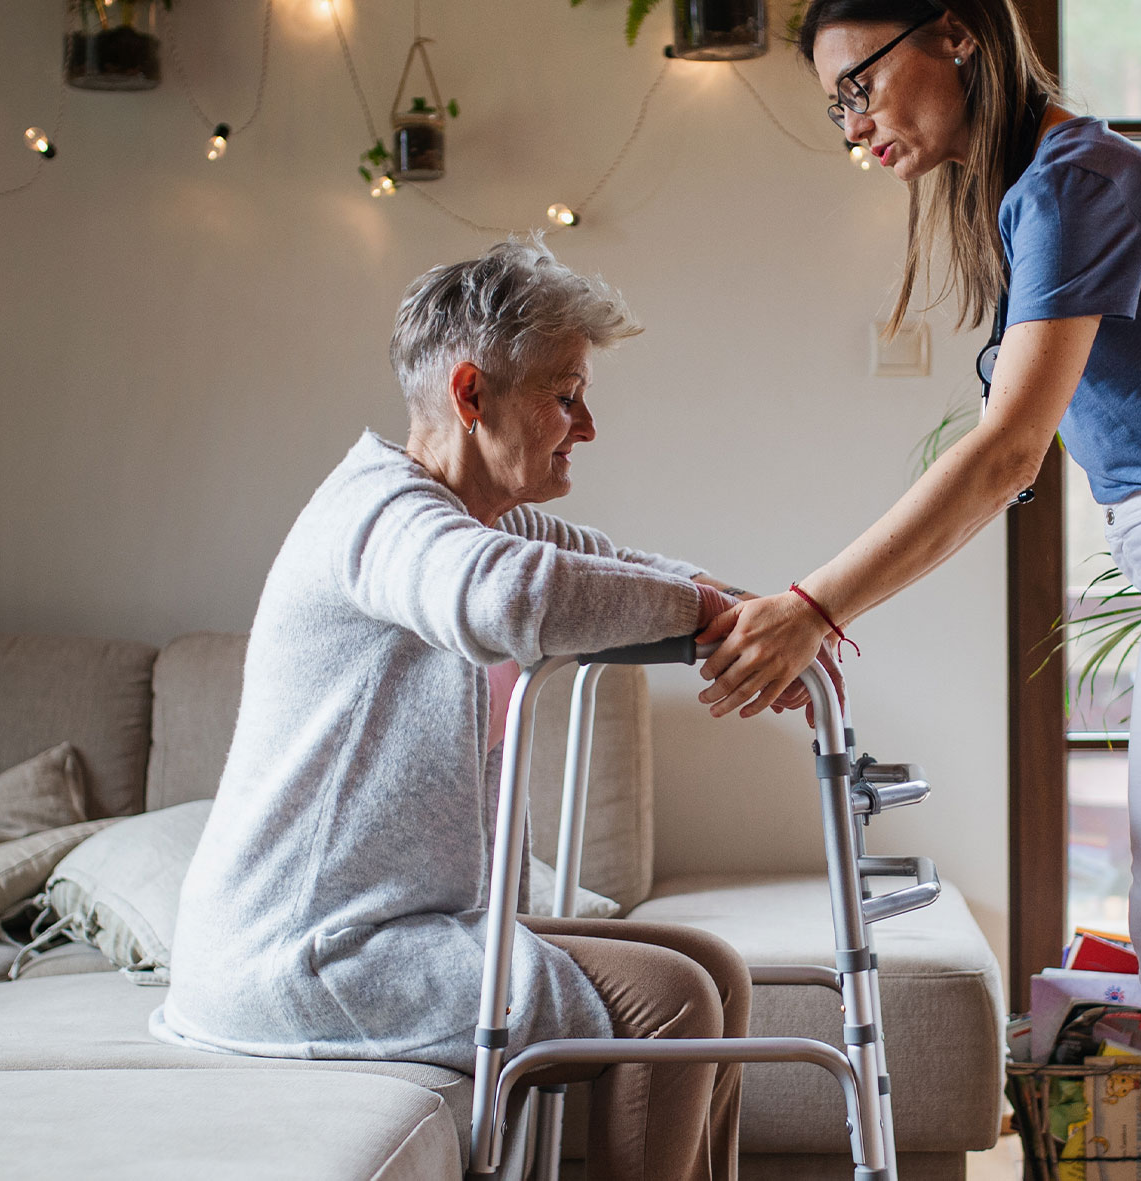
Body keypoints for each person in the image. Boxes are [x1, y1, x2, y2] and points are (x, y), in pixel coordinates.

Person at [694, 4, 1141, 1179]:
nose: (853, 122)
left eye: (859, 82)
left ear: (956, 35)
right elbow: (1009, 447)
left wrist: (814, 604)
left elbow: (1007, 449)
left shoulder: (1073, 179)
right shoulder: (1032, 195)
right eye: (835, 104)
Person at [154, 240, 791, 1181]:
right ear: (470, 394)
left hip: (396, 926)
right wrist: (703, 611)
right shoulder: (379, 515)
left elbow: (610, 566)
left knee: (715, 970)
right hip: (305, 954)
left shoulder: (476, 516)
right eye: (565, 393)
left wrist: (758, 613)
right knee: (672, 1003)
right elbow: (509, 600)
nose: (588, 424)